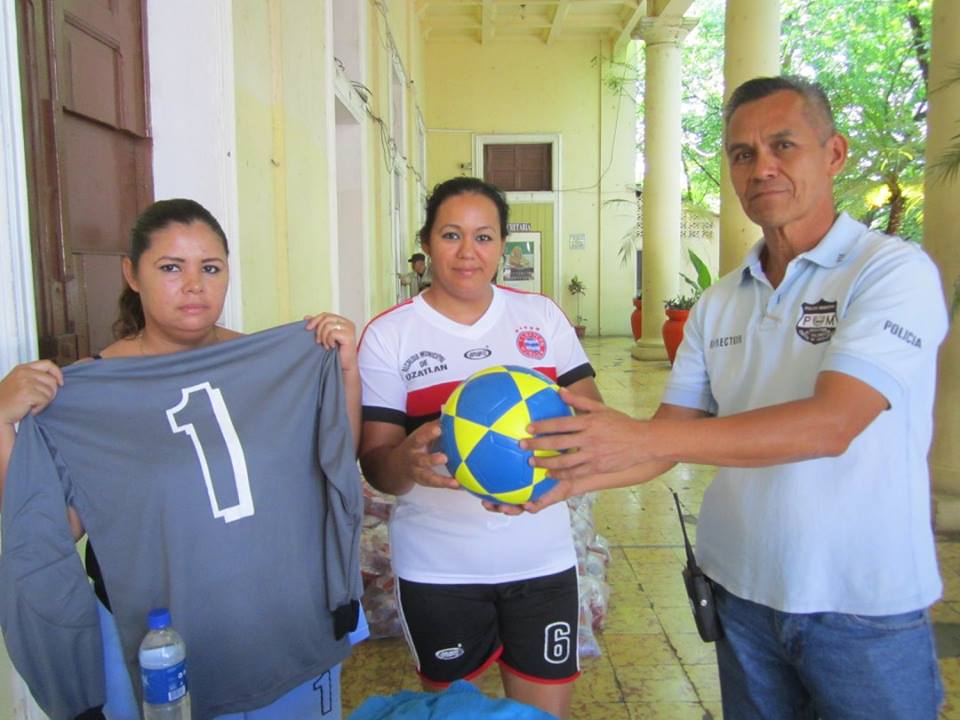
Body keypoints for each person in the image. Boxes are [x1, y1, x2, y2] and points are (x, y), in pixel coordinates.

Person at [506, 76, 949, 719]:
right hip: (740, 597)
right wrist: (557, 483)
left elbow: (831, 425)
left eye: (782, 145)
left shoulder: (890, 272)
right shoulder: (720, 301)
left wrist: (641, 436)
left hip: (862, 606)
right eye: (742, 154)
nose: (760, 167)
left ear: (834, 154)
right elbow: (664, 440)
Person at [0, 198, 364, 720]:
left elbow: (337, 458)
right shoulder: (86, 395)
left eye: (210, 268)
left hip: (285, 630)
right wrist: (0, 421)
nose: (194, 285)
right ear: (132, 274)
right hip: (165, 652)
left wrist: (345, 370)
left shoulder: (274, 364)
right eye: (171, 267)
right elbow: (49, 530)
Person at [357, 177, 601, 719]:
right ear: (425, 241)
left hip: (542, 559)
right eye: (451, 235)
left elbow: (592, 423)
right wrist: (408, 462)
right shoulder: (389, 335)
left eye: (484, 237)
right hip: (440, 569)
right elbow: (378, 466)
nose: (469, 252)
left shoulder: (540, 317)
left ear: (502, 245)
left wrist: (561, 465)